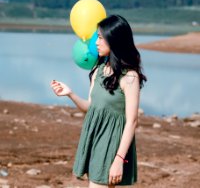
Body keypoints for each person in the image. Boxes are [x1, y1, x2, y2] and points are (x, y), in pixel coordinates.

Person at [50, 14, 146, 187]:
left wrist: (118, 159)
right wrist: (70, 93)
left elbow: (132, 121)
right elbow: (90, 107)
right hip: (94, 136)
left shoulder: (129, 77)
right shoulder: (98, 70)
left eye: (101, 38)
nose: (96, 42)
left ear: (114, 40)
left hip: (112, 143)